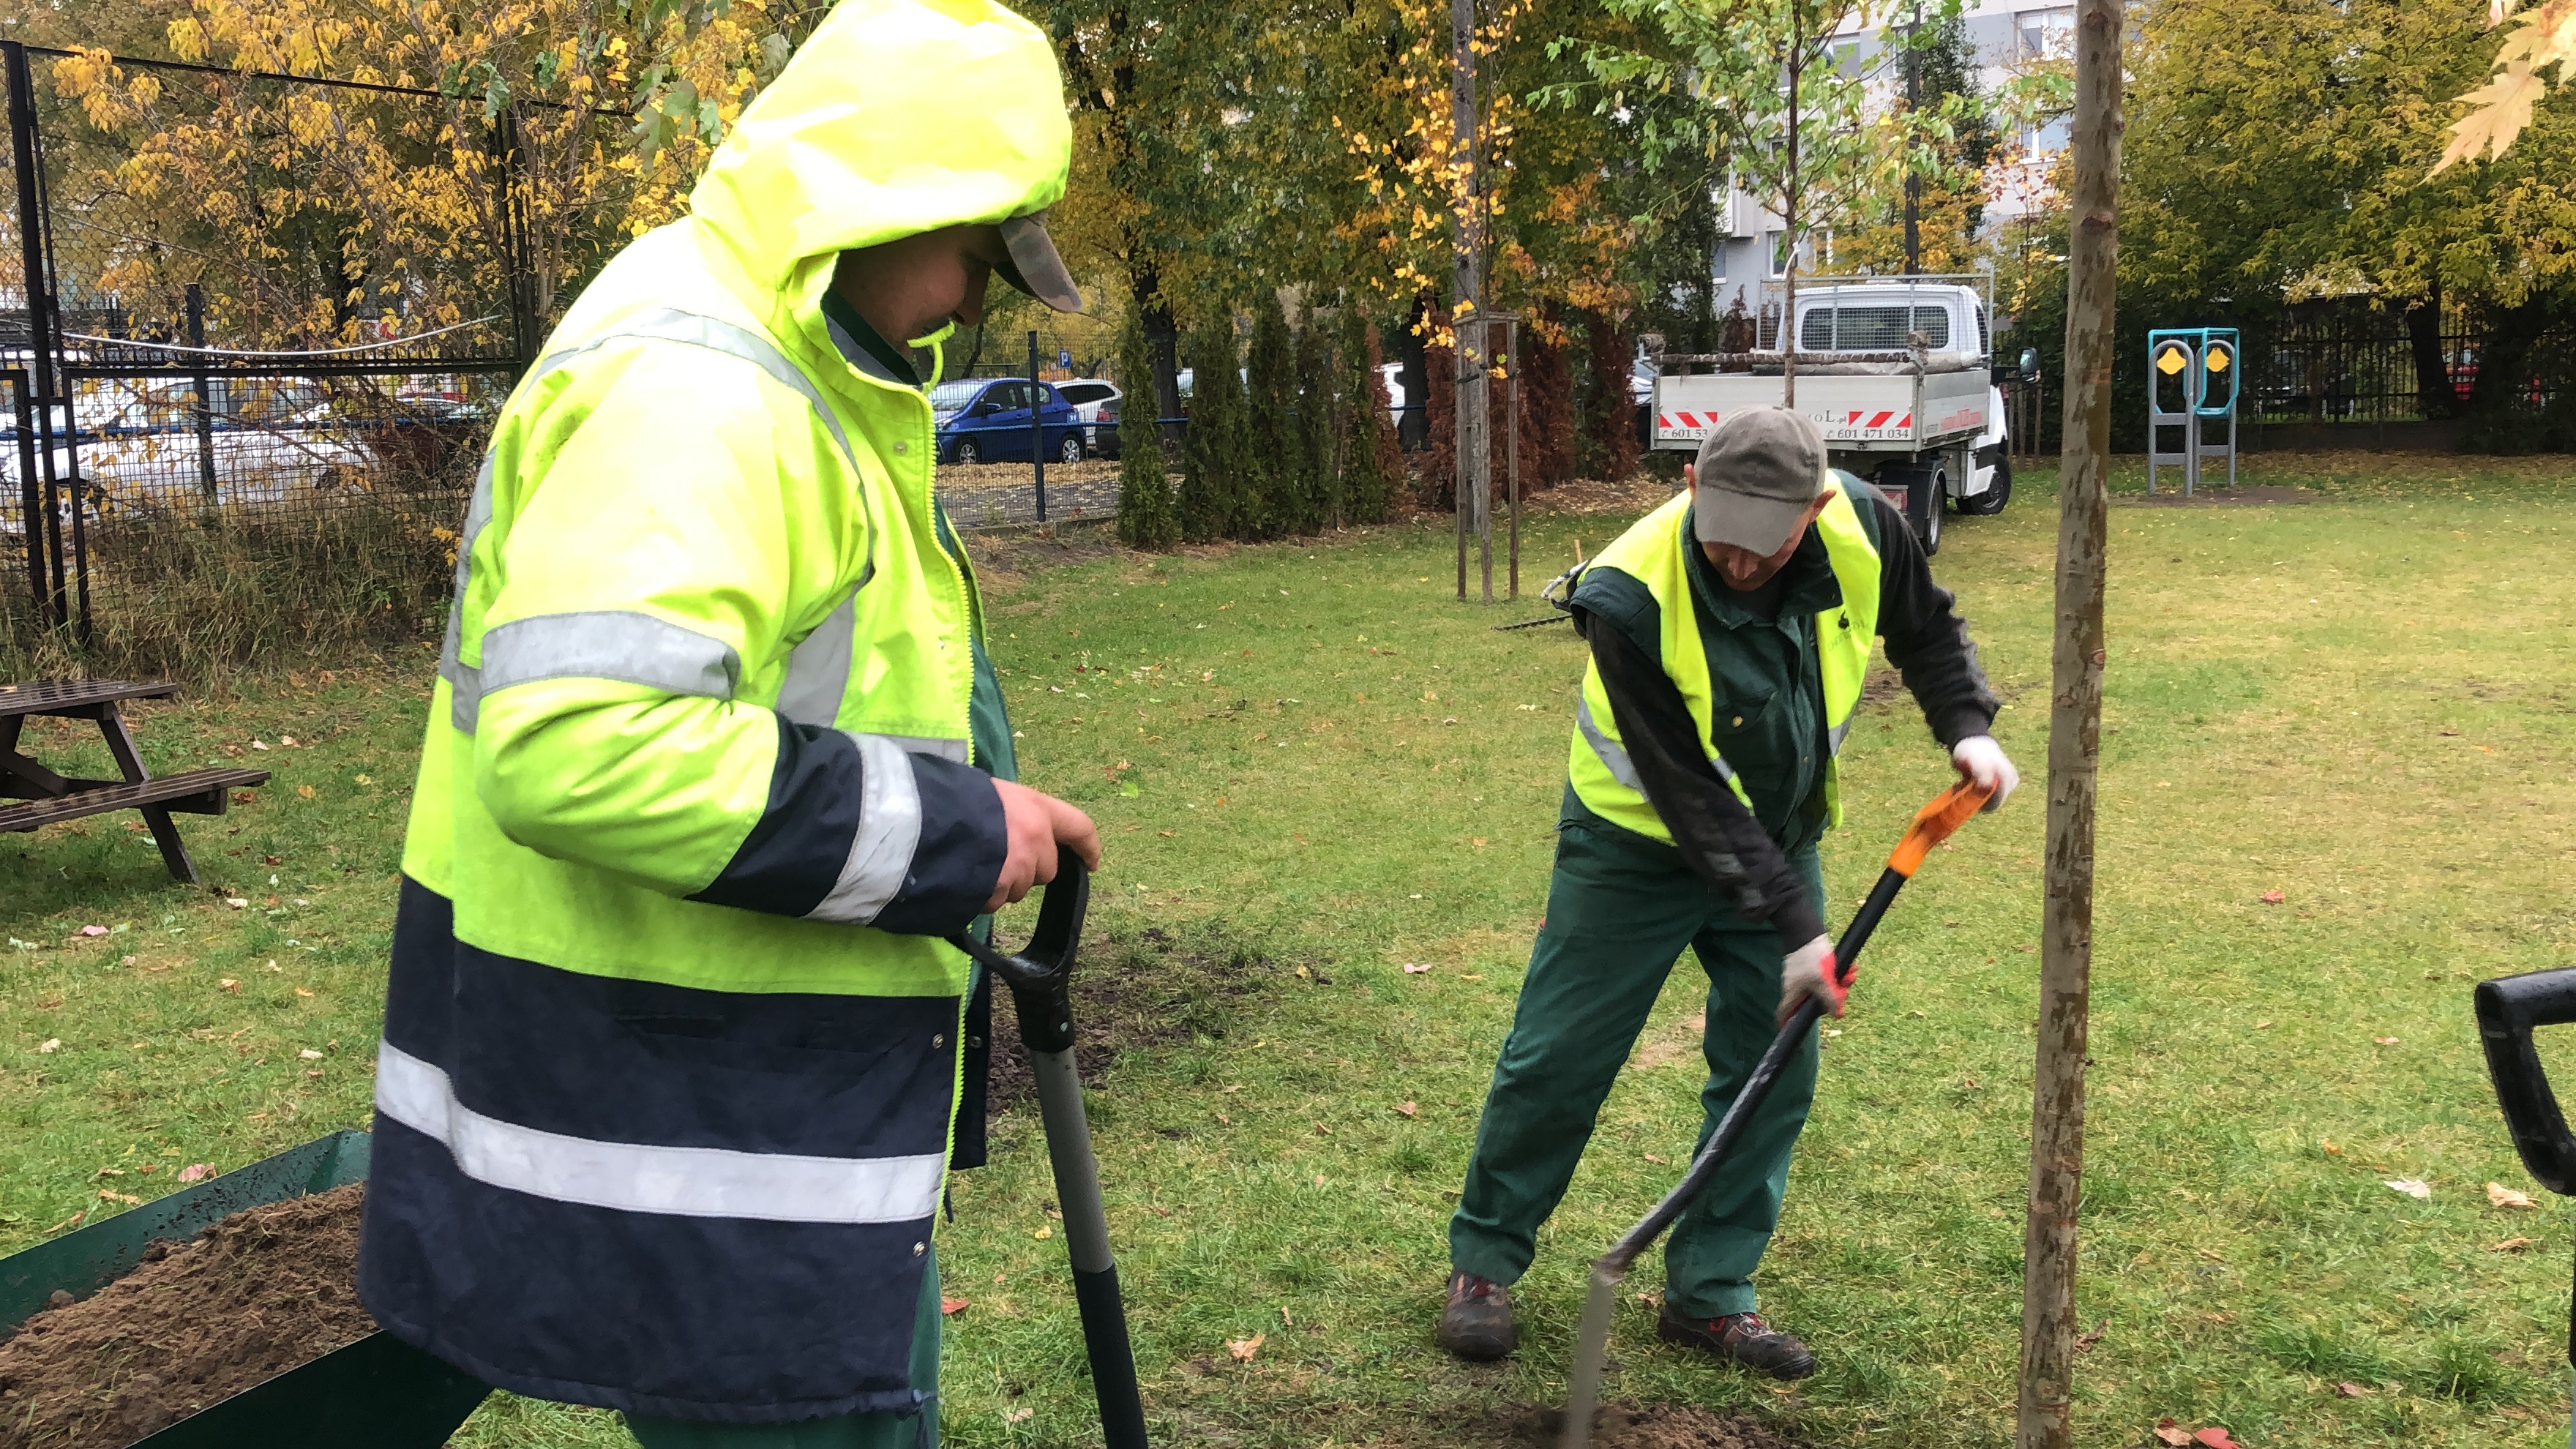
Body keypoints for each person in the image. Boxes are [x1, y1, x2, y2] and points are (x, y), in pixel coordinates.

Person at [356, 3, 1100, 1445]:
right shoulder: (699, 386)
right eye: (971, 252)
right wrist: (956, 830)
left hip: (746, 1079)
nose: (964, 301)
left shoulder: (776, 351)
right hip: (703, 1108)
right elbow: (584, 744)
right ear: (894, 206)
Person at [1437, 407, 2018, 1377]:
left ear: (1817, 505)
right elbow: (1693, 796)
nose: (1740, 563)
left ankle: (1709, 1294)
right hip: (1635, 845)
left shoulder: (1868, 524)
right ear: (1691, 487)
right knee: (1559, 1056)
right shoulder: (1627, 591)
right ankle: (1485, 1265)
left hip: (1781, 836)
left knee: (1772, 1064)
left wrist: (1966, 725)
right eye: (1722, 539)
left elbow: (1927, 628)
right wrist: (1797, 926)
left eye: (1765, 543)